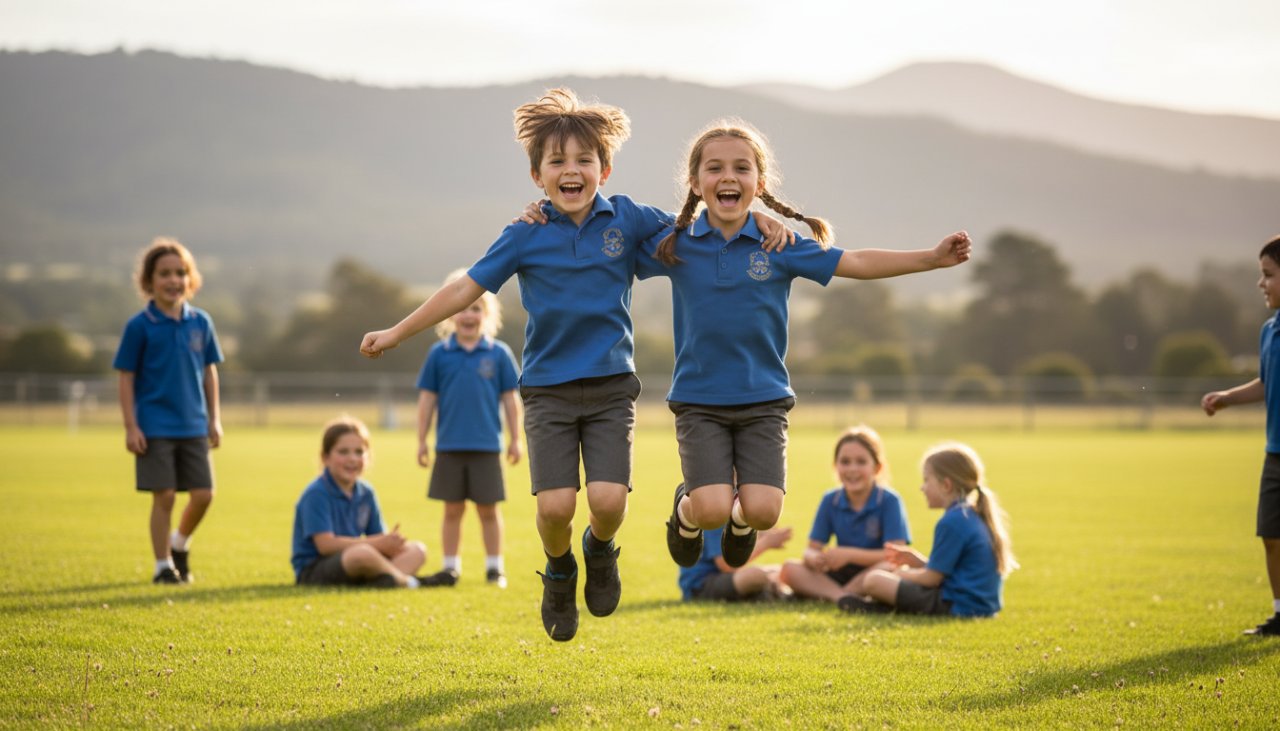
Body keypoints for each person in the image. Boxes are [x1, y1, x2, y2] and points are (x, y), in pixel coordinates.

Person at [361, 89, 789, 641]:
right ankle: (560, 569)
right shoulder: (524, 234)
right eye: (557, 162)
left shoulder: (630, 219)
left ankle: (600, 549)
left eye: (584, 160)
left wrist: (760, 221)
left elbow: (705, 230)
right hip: (547, 390)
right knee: (557, 506)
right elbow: (466, 287)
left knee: (607, 502)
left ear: (604, 169)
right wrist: (398, 331)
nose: (572, 170)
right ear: (537, 176)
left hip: (611, 386)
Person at [640, 121, 971, 572]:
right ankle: (685, 513)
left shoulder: (781, 245)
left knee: (762, 512)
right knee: (710, 509)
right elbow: (609, 234)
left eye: (742, 168)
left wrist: (930, 258)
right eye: (714, 168)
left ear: (759, 184)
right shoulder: (675, 244)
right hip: (699, 401)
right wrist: (545, 215)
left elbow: (853, 261)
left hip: (764, 400)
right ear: (696, 184)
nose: (728, 177)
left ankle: (741, 525)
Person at [113, 237, 223, 585]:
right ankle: (163, 567)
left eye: (180, 273)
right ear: (149, 280)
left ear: (190, 279)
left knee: (204, 495)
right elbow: (126, 378)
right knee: (164, 496)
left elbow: (209, 372)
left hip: (193, 424)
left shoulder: (201, 322)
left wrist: (214, 419)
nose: (173, 280)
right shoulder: (139, 326)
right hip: (155, 425)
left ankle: (179, 544)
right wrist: (131, 426)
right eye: (164, 273)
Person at [416, 270, 522, 589]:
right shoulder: (439, 354)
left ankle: (494, 568)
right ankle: (450, 568)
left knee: (488, 510)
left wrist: (516, 439)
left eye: (476, 308)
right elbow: (426, 401)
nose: (468, 314)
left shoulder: (498, 353)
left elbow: (510, 400)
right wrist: (422, 440)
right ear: (450, 314)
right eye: (462, 308)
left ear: (486, 315)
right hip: (449, 445)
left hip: (487, 445)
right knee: (452, 510)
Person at [1201, 234, 1280, 637]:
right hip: (1275, 453)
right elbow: (1266, 384)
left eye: (1268, 275)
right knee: (1271, 534)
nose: (1261, 284)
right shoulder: (1269, 331)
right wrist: (1227, 398)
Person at [847, 443, 1017, 617]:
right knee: (885, 573)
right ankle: (882, 606)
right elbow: (949, 571)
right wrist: (918, 561)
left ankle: (881, 606)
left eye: (927, 480)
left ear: (946, 485)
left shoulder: (952, 521)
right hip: (978, 606)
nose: (922, 487)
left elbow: (932, 579)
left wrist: (902, 573)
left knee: (873, 580)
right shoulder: (970, 515)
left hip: (956, 605)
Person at [291, 416, 447, 589]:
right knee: (361, 554)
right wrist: (378, 543)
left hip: (358, 562)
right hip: (316, 569)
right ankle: (411, 582)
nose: (352, 458)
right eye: (343, 452)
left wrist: (391, 543)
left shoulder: (366, 492)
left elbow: (378, 537)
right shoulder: (316, 493)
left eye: (359, 452)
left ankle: (384, 580)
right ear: (325, 457)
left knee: (417, 550)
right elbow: (325, 545)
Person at [778, 426, 911, 605]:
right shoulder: (830, 500)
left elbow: (896, 555)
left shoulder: (889, 501)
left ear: (877, 468)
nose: (852, 469)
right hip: (838, 572)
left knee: (893, 567)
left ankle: (845, 594)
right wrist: (815, 558)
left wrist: (849, 555)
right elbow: (811, 549)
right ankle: (843, 598)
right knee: (789, 569)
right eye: (845, 462)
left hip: (875, 571)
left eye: (861, 462)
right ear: (835, 466)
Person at [678, 497, 793, 603]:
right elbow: (727, 565)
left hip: (723, 577)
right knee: (756, 575)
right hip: (701, 585)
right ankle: (772, 593)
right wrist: (766, 543)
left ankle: (765, 593)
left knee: (780, 570)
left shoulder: (734, 512)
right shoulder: (717, 515)